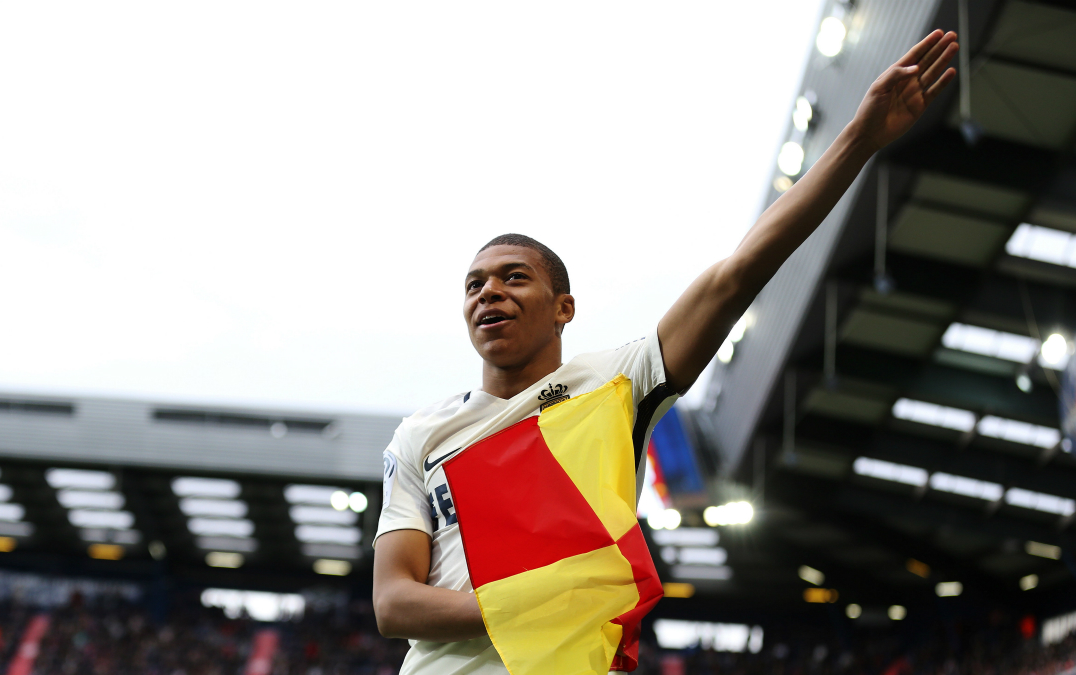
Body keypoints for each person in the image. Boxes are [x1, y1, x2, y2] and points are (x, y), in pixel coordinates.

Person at [372, 29, 958, 675]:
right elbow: (394, 602)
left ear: (564, 306)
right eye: (474, 284)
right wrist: (541, 599)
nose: (489, 292)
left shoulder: (619, 382)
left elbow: (735, 275)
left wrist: (858, 140)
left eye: (514, 277)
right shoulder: (422, 436)